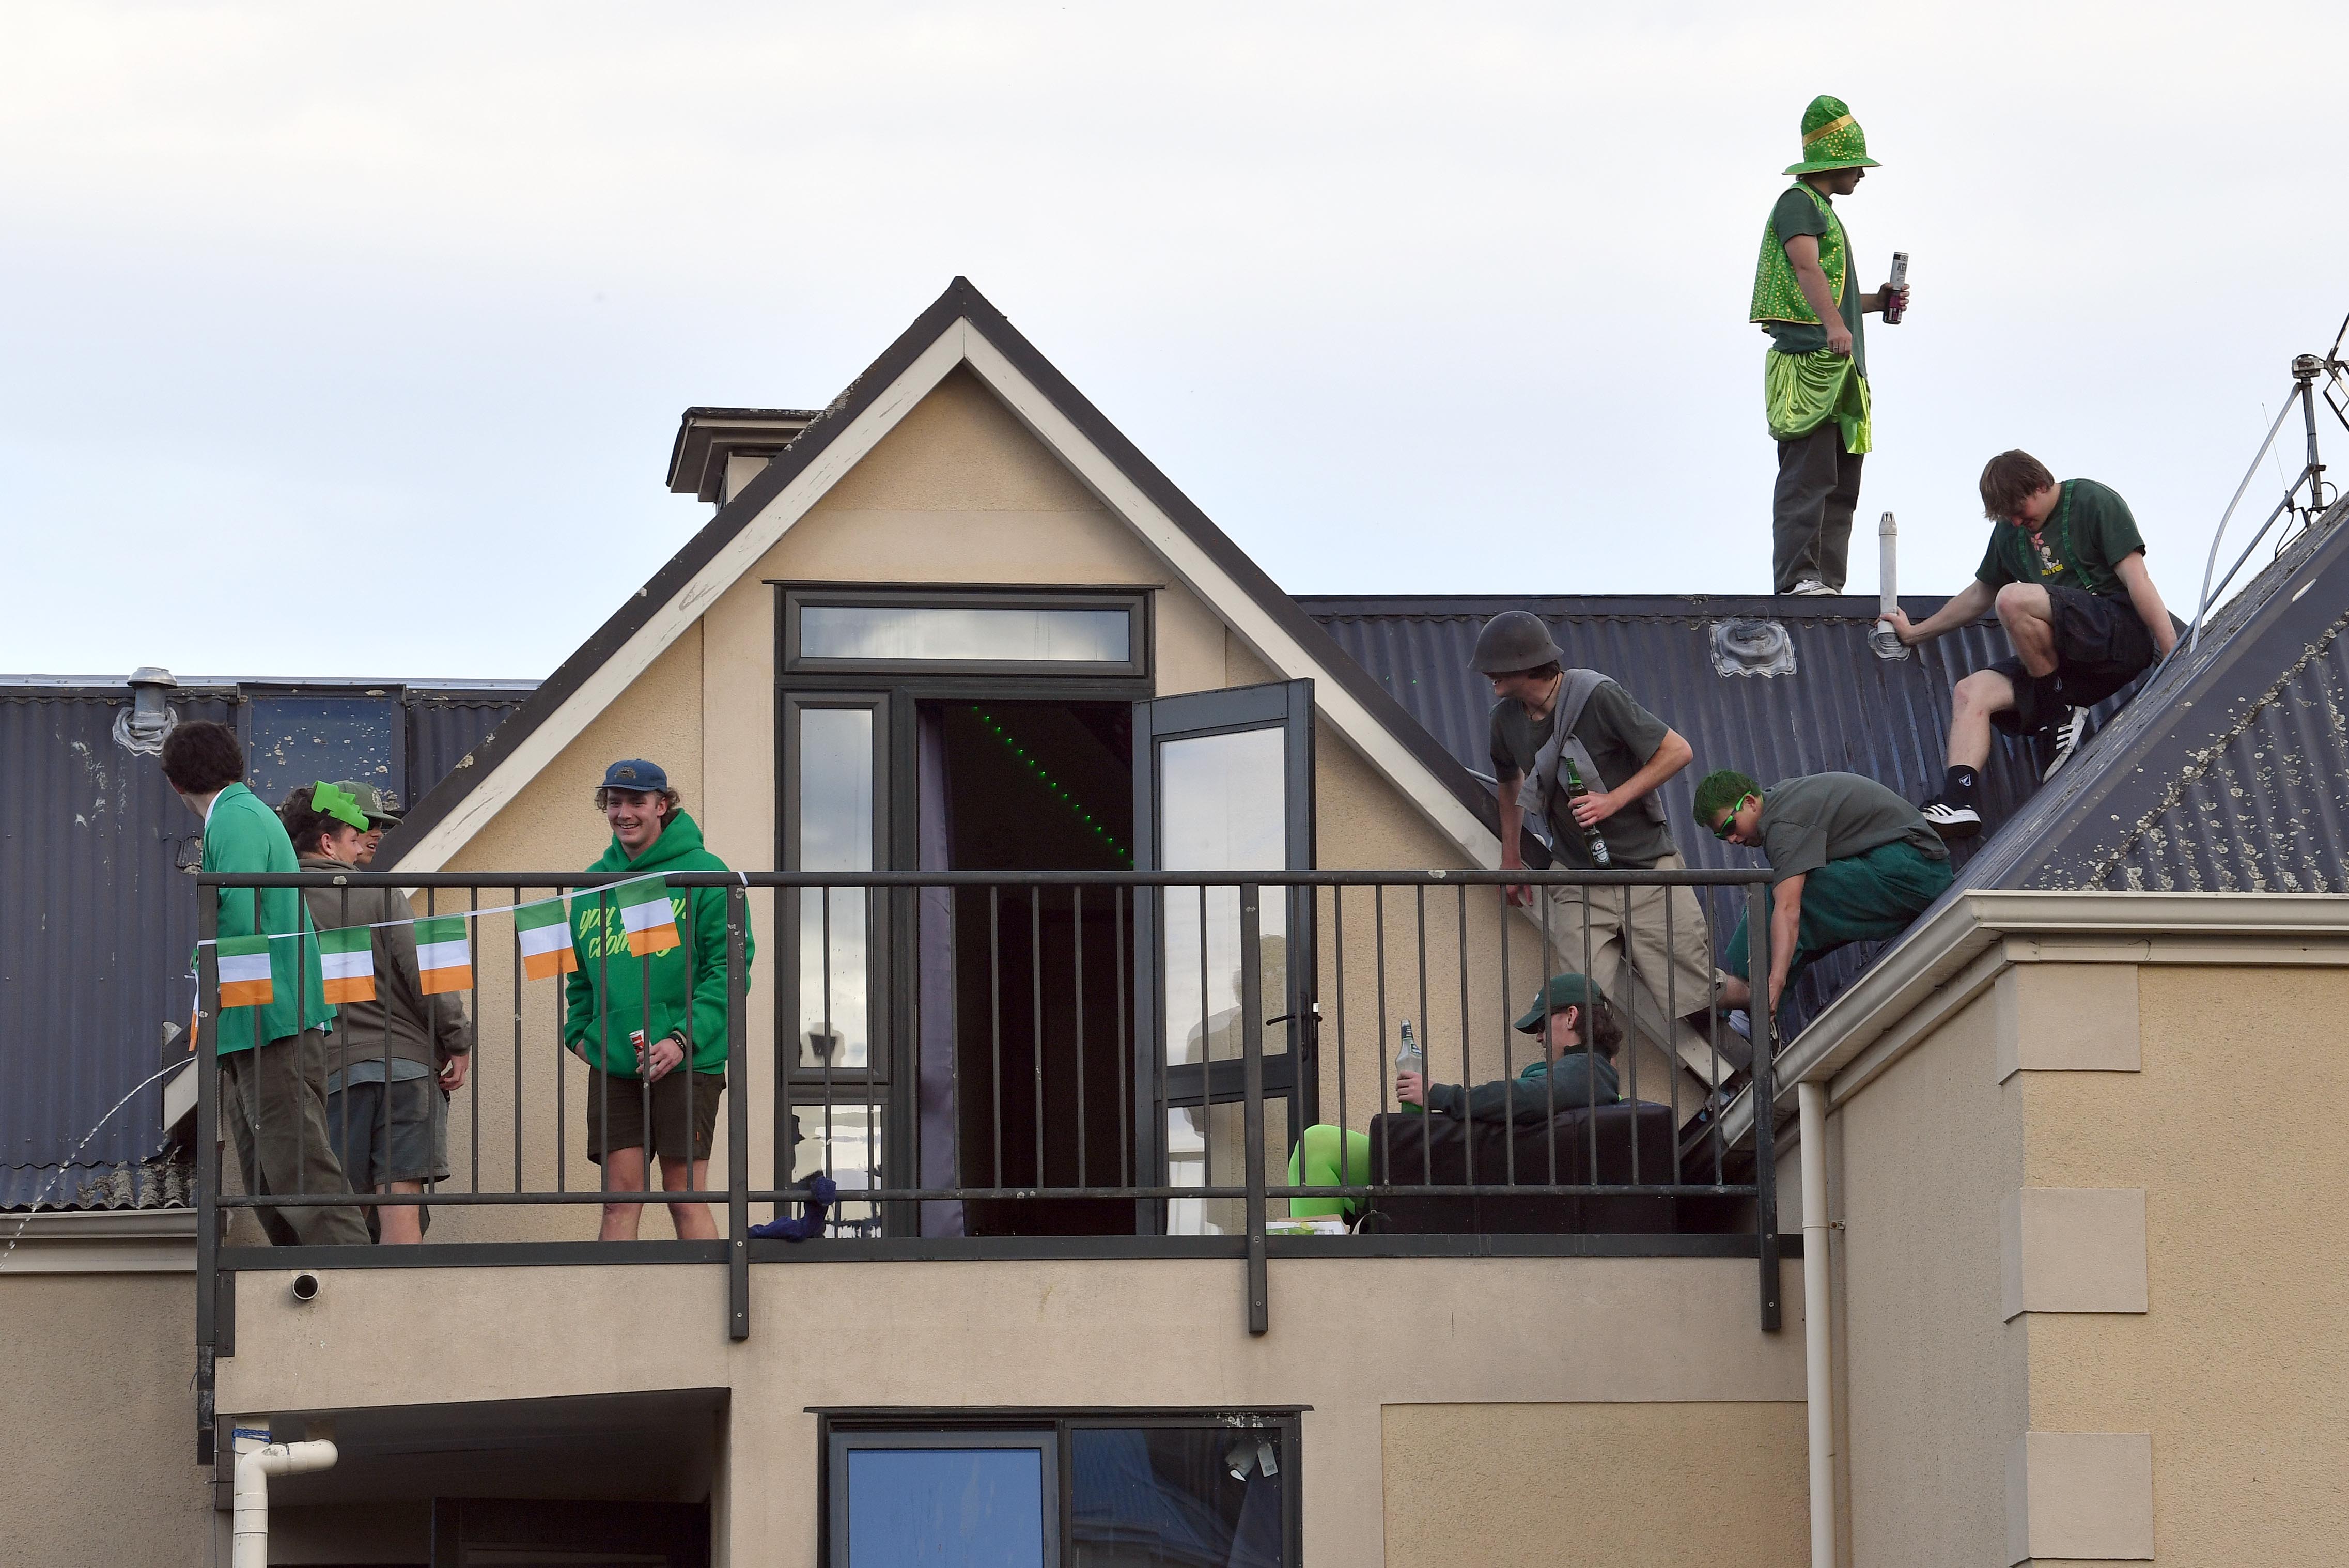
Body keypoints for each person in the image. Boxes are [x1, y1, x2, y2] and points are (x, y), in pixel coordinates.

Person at [1474, 611, 1730, 1078]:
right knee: (1578, 1005)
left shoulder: (1597, 696)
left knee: (1697, 992)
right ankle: (1590, 1096)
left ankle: (1765, 998)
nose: (1486, 675)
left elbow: (1678, 750)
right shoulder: (1504, 720)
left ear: (1527, 665)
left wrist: (1611, 801)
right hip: (1576, 877)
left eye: (1496, 666)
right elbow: (1508, 782)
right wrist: (1510, 856)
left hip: (1647, 869)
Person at [1892, 452, 2176, 836]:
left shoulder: (2092, 501)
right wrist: (1915, 633)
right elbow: (1978, 595)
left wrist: (2174, 654)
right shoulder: (2011, 533)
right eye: (2006, 516)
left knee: (2011, 599)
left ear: (2041, 484)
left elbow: (2137, 579)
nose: (2015, 522)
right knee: (1970, 692)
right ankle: (1959, 801)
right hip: (2068, 667)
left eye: (2019, 509)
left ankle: (2054, 713)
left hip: (2117, 635)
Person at [160, 722, 367, 1246]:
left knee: (297, 1163)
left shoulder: (235, 817)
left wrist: (204, 986)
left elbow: (236, 914)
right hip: (256, 1020)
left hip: (272, 1020)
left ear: (175, 785)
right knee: (267, 1173)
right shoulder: (242, 814)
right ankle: (306, 1273)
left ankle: (361, 1279)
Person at [563, 759, 753, 1241]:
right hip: (614, 1064)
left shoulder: (707, 873)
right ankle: (615, 1317)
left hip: (689, 1057)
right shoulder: (593, 883)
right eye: (614, 801)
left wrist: (681, 1038)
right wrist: (580, 1036)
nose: (623, 812)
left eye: (636, 801)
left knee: (684, 1196)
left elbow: (728, 971)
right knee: (618, 1203)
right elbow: (579, 977)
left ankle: (711, 1316)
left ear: (662, 805)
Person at [280, 783, 472, 1245]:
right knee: (399, 1200)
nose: (373, 838)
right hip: (406, 1069)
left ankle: (351, 1313)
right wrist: (458, 1040)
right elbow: (427, 974)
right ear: (328, 841)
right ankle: (402, 1314)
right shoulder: (378, 895)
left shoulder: (278, 905)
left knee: (344, 1206)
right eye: (360, 830)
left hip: (331, 1074)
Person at [1285, 974, 1624, 1221]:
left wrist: (1437, 1093)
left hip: (1450, 1174)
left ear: (1570, 1016)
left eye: (1541, 1025)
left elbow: (1528, 1097)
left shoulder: (1586, 1071)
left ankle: (1314, 1262)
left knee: (1318, 1144)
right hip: (1463, 1168)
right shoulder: (1586, 1075)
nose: (1538, 1037)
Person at [1750, 94, 1909, 596]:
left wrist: (1870, 302)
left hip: (1840, 370)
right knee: (1807, 478)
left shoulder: (1820, 207)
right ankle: (1799, 578)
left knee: (1840, 484)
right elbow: (1805, 268)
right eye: (1855, 165)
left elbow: (1825, 287)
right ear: (1834, 163)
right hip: (1811, 365)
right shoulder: (1797, 202)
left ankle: (1826, 584)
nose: (1860, 174)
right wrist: (1833, 325)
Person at [1696, 769, 1953, 1017]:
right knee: (1788, 923)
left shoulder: (1783, 824)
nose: (1731, 839)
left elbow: (1788, 910)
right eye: (1721, 836)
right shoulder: (1782, 801)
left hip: (1916, 870)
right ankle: (1753, 1004)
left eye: (1730, 827)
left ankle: (1752, 1002)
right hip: (1909, 868)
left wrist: (1775, 982)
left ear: (1750, 802)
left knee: (1778, 904)